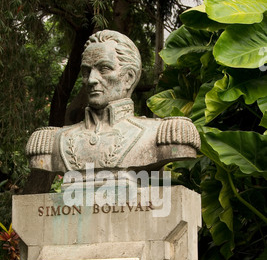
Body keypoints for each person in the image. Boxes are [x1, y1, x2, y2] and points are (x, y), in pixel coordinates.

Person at [26, 30, 200, 174]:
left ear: (128, 78)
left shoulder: (162, 134)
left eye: (104, 69)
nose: (92, 80)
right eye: (87, 71)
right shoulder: (51, 141)